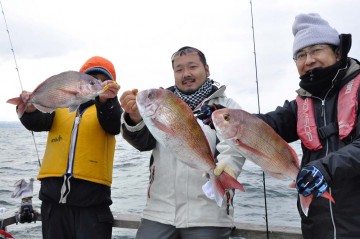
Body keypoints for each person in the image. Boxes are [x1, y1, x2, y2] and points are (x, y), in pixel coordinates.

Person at [211, 13, 360, 238]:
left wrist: (325, 168)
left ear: (338, 52)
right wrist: (222, 117)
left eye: (316, 50)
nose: (308, 60)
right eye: (300, 54)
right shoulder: (300, 105)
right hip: (317, 227)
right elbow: (268, 124)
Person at [120, 46, 245, 239]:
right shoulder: (160, 104)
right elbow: (142, 143)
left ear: (207, 69)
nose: (186, 74)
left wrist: (222, 173)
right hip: (158, 211)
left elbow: (234, 150)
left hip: (208, 215)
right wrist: (135, 118)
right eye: (179, 70)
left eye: (192, 67)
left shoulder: (227, 108)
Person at [17, 56, 122, 239]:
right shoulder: (60, 108)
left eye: (103, 80)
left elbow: (114, 124)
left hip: (93, 205)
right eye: (92, 79)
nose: (99, 84)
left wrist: (107, 101)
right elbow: (37, 122)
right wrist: (29, 109)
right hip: (52, 202)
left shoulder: (110, 109)